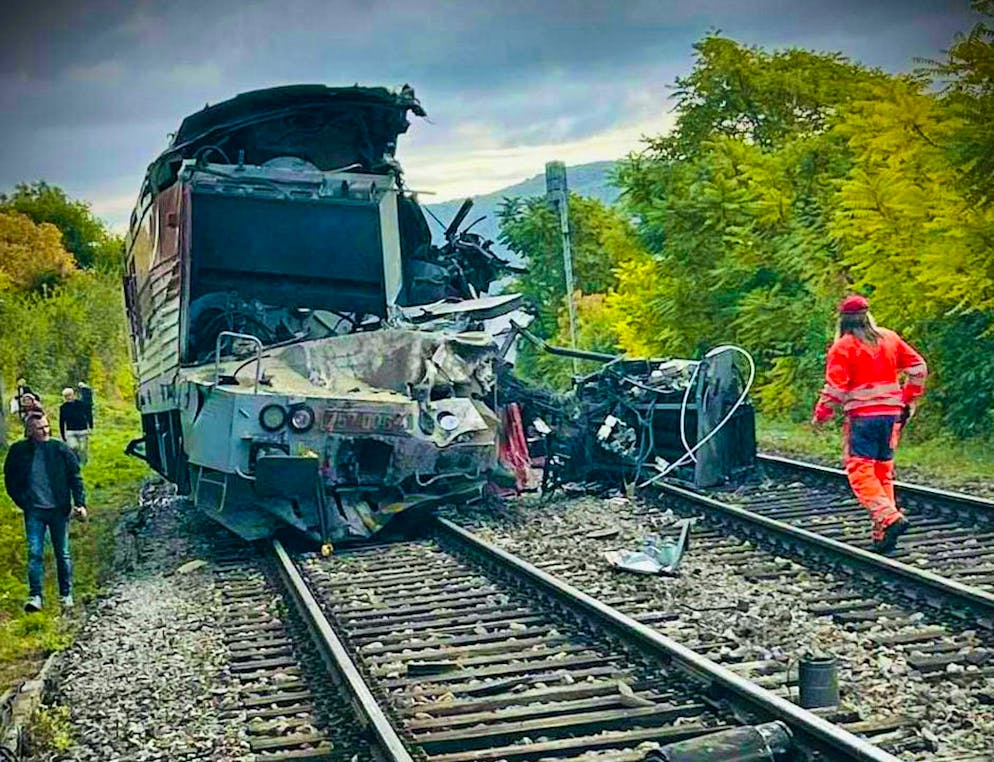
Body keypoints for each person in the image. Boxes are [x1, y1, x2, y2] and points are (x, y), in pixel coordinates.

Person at [813, 294, 927, 552]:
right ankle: (883, 531)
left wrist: (821, 415)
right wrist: (908, 400)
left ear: (842, 321)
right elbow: (919, 369)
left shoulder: (843, 347)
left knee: (860, 471)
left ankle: (889, 518)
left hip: (863, 419)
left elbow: (835, 390)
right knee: (882, 471)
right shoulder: (890, 338)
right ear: (868, 316)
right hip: (891, 416)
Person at [3, 412, 87, 611]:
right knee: (35, 553)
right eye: (40, 428)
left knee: (62, 553)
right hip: (34, 511)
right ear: (30, 431)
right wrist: (24, 502)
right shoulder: (18, 451)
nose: (45, 431)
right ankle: (35, 596)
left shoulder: (60, 449)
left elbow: (76, 477)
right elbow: (10, 480)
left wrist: (80, 503)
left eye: (47, 426)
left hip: (59, 510)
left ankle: (65, 595)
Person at [59, 387, 91, 465]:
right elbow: (61, 421)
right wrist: (63, 434)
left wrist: (90, 426)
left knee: (83, 448)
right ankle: (76, 461)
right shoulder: (63, 407)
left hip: (82, 429)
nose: (68, 397)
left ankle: (84, 464)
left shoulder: (81, 404)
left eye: (70, 395)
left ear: (74, 395)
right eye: (66, 396)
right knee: (73, 447)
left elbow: (88, 415)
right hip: (70, 431)